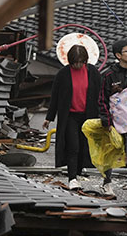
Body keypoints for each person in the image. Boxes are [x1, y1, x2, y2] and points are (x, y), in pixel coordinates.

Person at [43, 44, 101, 190]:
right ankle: (72, 177)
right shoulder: (63, 74)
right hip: (70, 116)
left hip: (88, 115)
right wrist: (49, 117)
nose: (78, 65)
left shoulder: (92, 72)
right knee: (72, 146)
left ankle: (79, 171)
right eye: (75, 62)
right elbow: (55, 97)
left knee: (84, 145)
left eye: (81, 62)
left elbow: (100, 95)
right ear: (70, 61)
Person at [98, 39, 127, 200]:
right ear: (118, 55)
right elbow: (102, 99)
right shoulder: (109, 75)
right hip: (114, 122)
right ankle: (107, 183)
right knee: (111, 152)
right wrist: (106, 121)